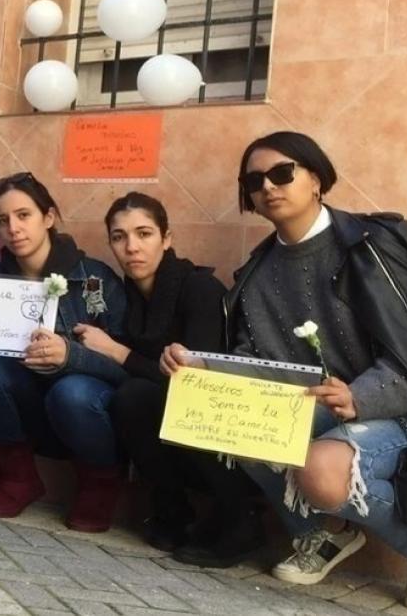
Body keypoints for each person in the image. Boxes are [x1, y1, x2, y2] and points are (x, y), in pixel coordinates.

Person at [163, 132, 407, 611]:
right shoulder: (255, 273)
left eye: (282, 173)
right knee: (222, 419)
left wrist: (360, 398)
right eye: (254, 180)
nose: (268, 186)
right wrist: (201, 366)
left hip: (403, 413)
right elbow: (260, 363)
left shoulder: (375, 248)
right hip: (318, 411)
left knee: (322, 471)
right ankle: (322, 535)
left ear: (316, 178)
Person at [0, 172, 127, 531]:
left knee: (73, 391)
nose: (13, 228)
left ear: (48, 218)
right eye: (3, 221)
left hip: (82, 410)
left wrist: (71, 356)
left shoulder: (94, 280)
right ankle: (17, 478)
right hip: (22, 407)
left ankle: (99, 485)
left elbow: (126, 370)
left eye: (24, 215)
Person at [96, 192, 263, 564]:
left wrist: (117, 352)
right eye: (119, 237)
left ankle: (240, 519)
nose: (132, 247)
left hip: (230, 427)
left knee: (140, 395)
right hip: (178, 437)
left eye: (144, 234)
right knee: (132, 396)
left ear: (166, 238)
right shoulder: (128, 298)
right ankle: (172, 510)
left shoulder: (197, 288)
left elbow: (194, 383)